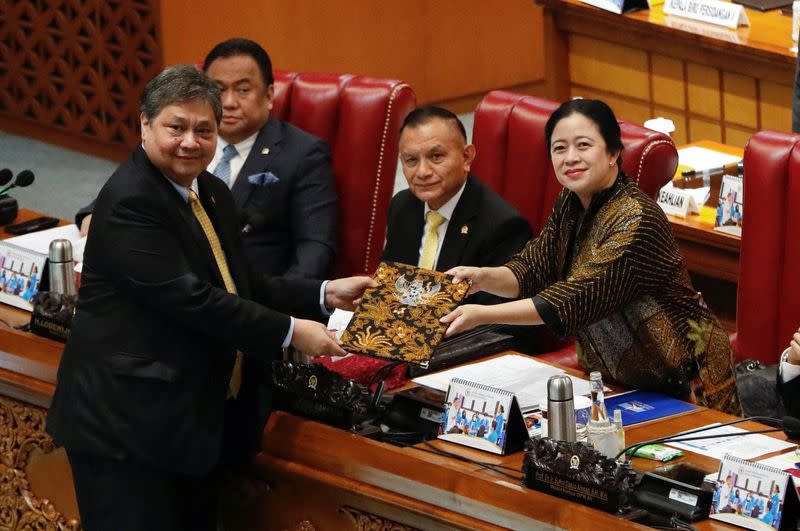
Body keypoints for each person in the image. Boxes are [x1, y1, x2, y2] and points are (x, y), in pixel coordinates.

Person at [45, 65, 373, 531]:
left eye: (204, 130)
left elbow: (237, 280)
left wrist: (323, 293)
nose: (189, 142)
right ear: (144, 125)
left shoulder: (210, 191)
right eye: (175, 127)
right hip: (125, 432)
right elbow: (193, 299)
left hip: (185, 425)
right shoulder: (130, 202)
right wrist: (290, 330)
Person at [442, 98, 740, 415]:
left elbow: (574, 298)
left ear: (613, 153)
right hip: (618, 383)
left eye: (583, 145)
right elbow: (532, 269)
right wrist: (482, 278)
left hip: (690, 385)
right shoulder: (570, 202)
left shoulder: (636, 218)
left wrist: (480, 315)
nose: (571, 158)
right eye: (559, 148)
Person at [76, 38, 337, 279]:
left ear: (268, 96)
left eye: (243, 90)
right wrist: (96, 224)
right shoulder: (181, 141)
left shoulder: (303, 154)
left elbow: (315, 249)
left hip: (251, 295)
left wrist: (278, 308)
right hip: (171, 285)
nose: (229, 102)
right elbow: (118, 197)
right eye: (218, 89)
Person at [381, 106, 532, 306]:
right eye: (411, 160)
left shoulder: (502, 226)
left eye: (436, 157)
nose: (423, 171)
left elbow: (498, 325)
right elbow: (392, 285)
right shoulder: (402, 206)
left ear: (466, 157)